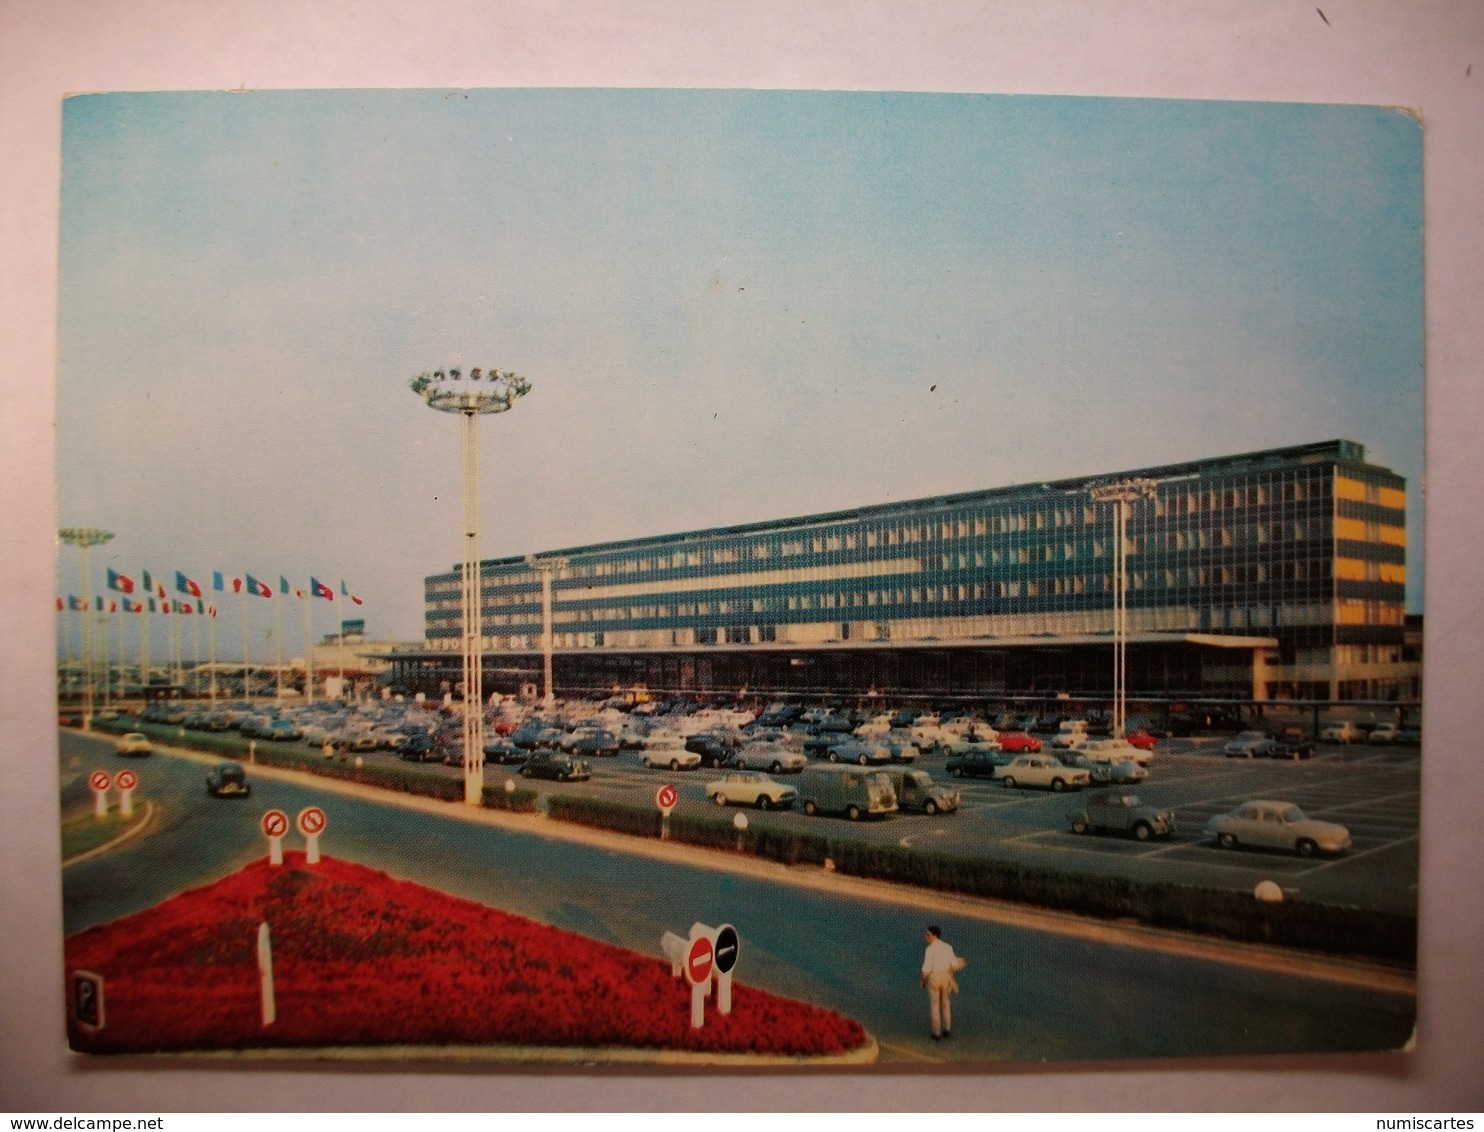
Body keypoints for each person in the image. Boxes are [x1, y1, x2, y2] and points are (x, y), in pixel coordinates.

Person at [920, 924, 964, 1041]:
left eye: (928, 934)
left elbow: (926, 968)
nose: (926, 937)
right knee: (945, 1003)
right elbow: (954, 964)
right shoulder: (948, 947)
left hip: (935, 977)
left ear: (934, 936)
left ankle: (936, 1033)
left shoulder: (930, 950)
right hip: (946, 976)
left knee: (935, 1005)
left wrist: (923, 981)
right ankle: (947, 1029)